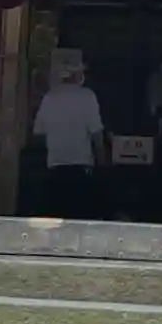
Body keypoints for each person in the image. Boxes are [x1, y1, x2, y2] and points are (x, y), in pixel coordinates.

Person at [32, 62, 106, 218]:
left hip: (55, 167)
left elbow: (39, 132)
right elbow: (96, 133)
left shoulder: (49, 98)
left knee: (58, 216)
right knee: (80, 216)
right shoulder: (87, 96)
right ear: (78, 75)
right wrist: (102, 160)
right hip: (81, 167)